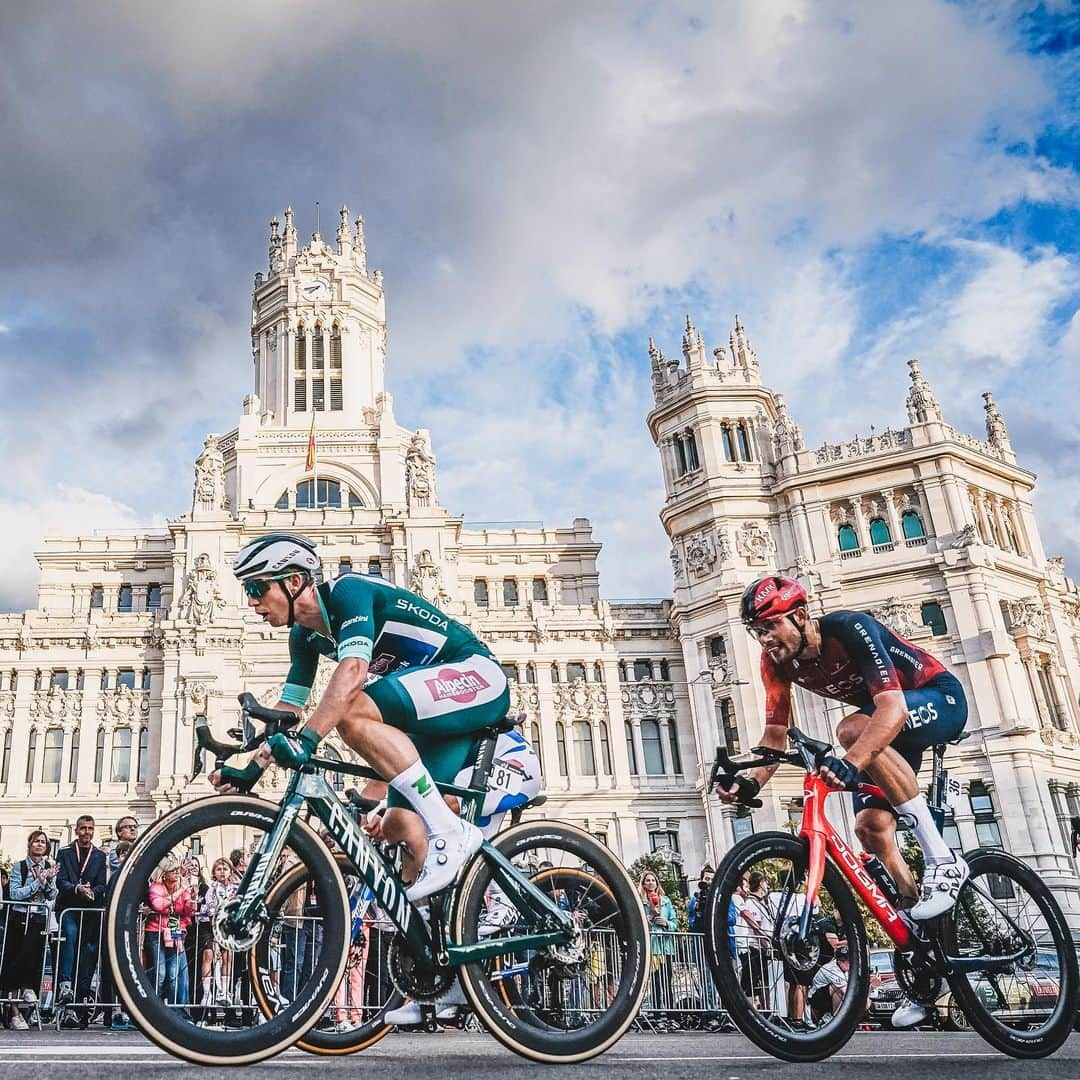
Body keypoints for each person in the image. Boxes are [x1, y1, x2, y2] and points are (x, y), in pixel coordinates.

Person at [718, 576, 970, 1026]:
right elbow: (774, 738)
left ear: (799, 616)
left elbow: (889, 710)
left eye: (770, 627)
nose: (765, 640)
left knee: (852, 730)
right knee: (870, 828)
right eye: (757, 632)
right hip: (888, 731)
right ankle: (924, 952)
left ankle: (943, 858)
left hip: (935, 699)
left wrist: (852, 761)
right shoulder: (776, 663)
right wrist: (751, 782)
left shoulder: (849, 629)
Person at [212, 533, 511, 902]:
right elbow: (287, 713)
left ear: (293, 582)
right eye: (247, 590)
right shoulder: (303, 637)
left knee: (350, 710)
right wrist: (251, 770)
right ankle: (449, 926)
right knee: (398, 823)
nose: (252, 601)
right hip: (431, 719)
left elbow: (353, 670)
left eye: (257, 587)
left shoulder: (347, 592)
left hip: (474, 674)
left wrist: (308, 740)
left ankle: (451, 831)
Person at [55, 815, 107, 1024]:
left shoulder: (99, 856)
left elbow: (102, 884)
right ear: (76, 830)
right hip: (69, 906)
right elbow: (60, 881)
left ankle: (76, 1005)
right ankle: (65, 984)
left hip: (90, 910)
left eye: (90, 828)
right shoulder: (65, 852)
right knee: (70, 936)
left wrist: (93, 892)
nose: (86, 832)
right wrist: (76, 889)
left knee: (85, 956)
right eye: (83, 828)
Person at [3, 830, 58, 1030]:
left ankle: (28, 995)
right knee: (16, 961)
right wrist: (38, 881)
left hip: (39, 919)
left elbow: (52, 895)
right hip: (20, 918)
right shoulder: (19, 866)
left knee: (34, 960)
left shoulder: (48, 866)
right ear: (29, 844)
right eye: (36, 841)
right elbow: (16, 893)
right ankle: (15, 1012)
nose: (39, 845)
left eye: (43, 842)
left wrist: (49, 880)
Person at [145, 858, 196, 1019]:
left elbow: (188, 910)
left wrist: (192, 900)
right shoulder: (156, 887)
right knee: (160, 972)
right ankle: (152, 1009)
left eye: (177, 870)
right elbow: (158, 905)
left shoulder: (183, 886)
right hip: (156, 931)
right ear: (164, 874)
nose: (177, 873)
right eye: (173, 871)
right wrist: (180, 891)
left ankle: (174, 1011)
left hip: (175, 930)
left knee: (174, 973)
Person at [639, 871, 678, 1029]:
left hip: (666, 948)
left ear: (657, 883)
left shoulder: (666, 901)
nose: (650, 883)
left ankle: (670, 1015)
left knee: (667, 981)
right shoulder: (641, 902)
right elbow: (637, 923)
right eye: (647, 880)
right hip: (652, 948)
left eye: (653, 880)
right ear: (643, 884)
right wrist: (648, 919)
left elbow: (675, 922)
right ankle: (656, 1016)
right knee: (655, 982)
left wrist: (667, 924)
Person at [808, 947, 850, 1024]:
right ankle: (833, 1019)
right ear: (839, 961)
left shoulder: (844, 969)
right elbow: (845, 991)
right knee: (840, 990)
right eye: (845, 961)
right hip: (816, 998)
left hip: (826, 996)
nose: (849, 964)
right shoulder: (832, 969)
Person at [687, 866, 713, 934]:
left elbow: (731, 920)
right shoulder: (695, 899)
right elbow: (691, 923)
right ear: (701, 880)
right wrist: (698, 912)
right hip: (702, 936)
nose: (710, 882)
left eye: (713, 879)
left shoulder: (721, 897)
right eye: (707, 879)